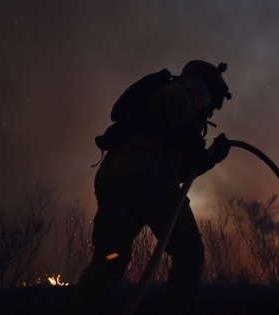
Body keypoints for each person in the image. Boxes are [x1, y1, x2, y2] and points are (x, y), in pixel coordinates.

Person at [66, 60, 233, 315]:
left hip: (116, 175)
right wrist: (202, 152)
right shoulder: (191, 88)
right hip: (144, 174)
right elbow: (178, 108)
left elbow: (183, 171)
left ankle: (76, 310)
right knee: (188, 250)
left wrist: (210, 157)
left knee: (112, 256)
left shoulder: (152, 112)